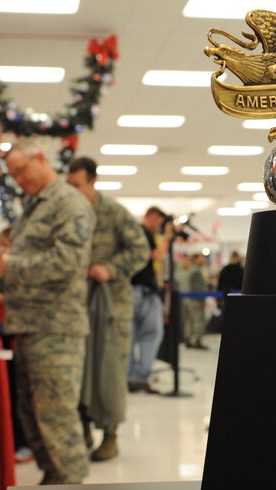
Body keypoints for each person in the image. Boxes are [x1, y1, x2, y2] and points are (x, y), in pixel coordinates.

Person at [0, 137, 95, 485]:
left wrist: (8, 266)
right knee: (32, 418)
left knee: (57, 419)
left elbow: (66, 263)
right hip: (29, 326)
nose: (17, 180)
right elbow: (25, 265)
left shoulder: (68, 204)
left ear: (40, 159)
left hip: (56, 330)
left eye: (20, 171)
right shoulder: (33, 207)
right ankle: (53, 484)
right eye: (11, 175)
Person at [67, 156, 149, 462]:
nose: (72, 191)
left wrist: (111, 269)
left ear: (92, 182)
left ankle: (110, 435)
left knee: (109, 372)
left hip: (113, 307)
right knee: (79, 368)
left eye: (77, 185)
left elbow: (141, 250)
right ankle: (84, 429)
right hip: (76, 306)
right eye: (69, 185)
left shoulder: (114, 213)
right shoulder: (70, 214)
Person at [128, 207, 174, 394]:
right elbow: (156, 255)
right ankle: (138, 377)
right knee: (151, 334)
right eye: (160, 223)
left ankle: (131, 377)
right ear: (153, 216)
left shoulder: (136, 233)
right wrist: (168, 238)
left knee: (130, 337)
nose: (160, 227)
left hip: (133, 290)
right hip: (142, 293)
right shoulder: (143, 232)